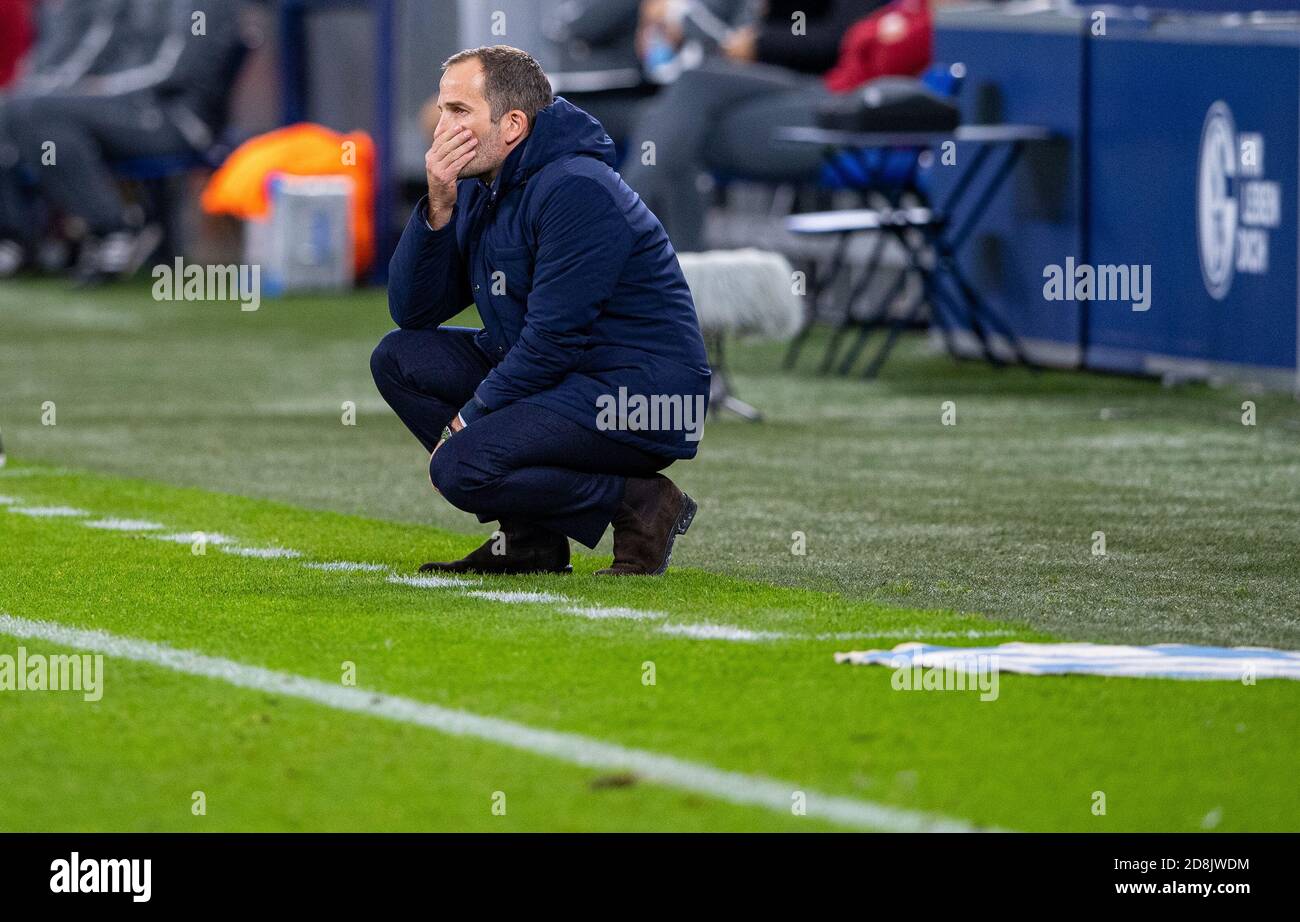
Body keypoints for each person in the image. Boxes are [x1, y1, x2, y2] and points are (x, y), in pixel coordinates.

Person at [371, 45, 711, 577]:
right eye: (443, 110)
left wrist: (472, 417)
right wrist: (437, 203)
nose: (442, 128)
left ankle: (640, 501)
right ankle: (531, 540)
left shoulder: (576, 188)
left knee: (461, 469)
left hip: (641, 394)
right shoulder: (486, 187)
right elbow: (412, 312)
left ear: (511, 125)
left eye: (459, 112)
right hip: (570, 375)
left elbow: (553, 341)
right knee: (399, 358)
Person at [621, 0, 931, 252]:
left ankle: (621, 226)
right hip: (810, 89)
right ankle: (673, 272)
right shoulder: (905, 11)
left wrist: (758, 44)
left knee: (683, 112)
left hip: (836, 108)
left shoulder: (930, 22)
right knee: (678, 119)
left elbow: (832, 40)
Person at [0, 0, 246, 281]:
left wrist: (102, 90)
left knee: (39, 113)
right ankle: (20, 238)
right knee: (23, 112)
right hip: (133, 109)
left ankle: (113, 229)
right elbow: (108, 52)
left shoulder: (202, 8)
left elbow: (177, 70)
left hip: (180, 121)